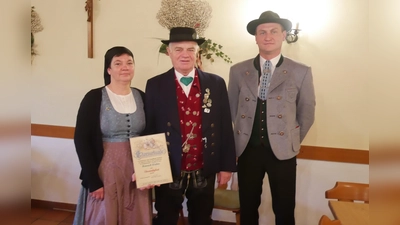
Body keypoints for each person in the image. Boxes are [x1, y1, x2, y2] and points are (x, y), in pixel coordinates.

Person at [227, 11, 316, 225]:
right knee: (247, 207)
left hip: (283, 153)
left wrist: (290, 140)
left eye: (274, 31)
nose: (268, 36)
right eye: (262, 32)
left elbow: (307, 112)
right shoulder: (238, 70)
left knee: (284, 210)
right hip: (247, 151)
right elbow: (230, 109)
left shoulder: (300, 71)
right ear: (256, 38)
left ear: (284, 35)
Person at [145, 27, 237, 225]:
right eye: (178, 49)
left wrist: (227, 167)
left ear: (198, 53)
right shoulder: (154, 85)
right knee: (165, 219)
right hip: (169, 168)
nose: (184, 55)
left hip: (205, 166)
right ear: (168, 52)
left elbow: (225, 128)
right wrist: (149, 169)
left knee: (202, 219)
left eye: (190, 49)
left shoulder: (216, 83)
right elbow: (149, 130)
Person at [73, 46, 153, 225]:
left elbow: (150, 136)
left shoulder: (142, 96)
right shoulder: (94, 97)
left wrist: (148, 172)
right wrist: (93, 181)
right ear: (108, 69)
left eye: (129, 63)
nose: (125, 67)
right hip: (105, 170)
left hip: (136, 169)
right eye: (118, 63)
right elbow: (81, 141)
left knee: (135, 216)